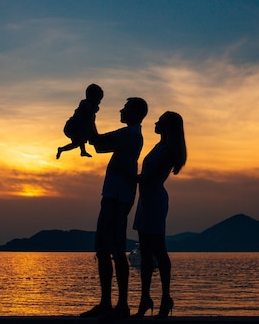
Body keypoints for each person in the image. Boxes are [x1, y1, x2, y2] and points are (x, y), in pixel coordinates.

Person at [80, 97, 148, 319]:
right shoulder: (133, 135)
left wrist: (89, 114)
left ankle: (115, 305)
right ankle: (113, 304)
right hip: (119, 195)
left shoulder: (129, 134)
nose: (121, 110)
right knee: (110, 249)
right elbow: (99, 146)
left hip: (116, 197)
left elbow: (97, 142)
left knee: (109, 249)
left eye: (125, 108)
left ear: (136, 112)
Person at [132, 111, 187, 319]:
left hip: (154, 201)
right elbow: (146, 178)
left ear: (168, 127)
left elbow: (149, 178)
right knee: (146, 253)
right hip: (146, 201)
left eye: (160, 121)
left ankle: (165, 298)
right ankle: (146, 298)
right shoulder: (159, 147)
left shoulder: (168, 151)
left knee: (158, 250)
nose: (155, 123)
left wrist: (126, 174)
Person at [56, 84, 104, 159]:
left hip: (77, 128)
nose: (99, 102)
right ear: (91, 97)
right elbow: (90, 123)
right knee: (81, 137)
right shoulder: (85, 104)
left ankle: (62, 149)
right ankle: (82, 151)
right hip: (72, 127)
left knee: (76, 143)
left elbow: (91, 123)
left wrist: (95, 135)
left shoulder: (91, 112)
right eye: (98, 99)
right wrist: (95, 135)